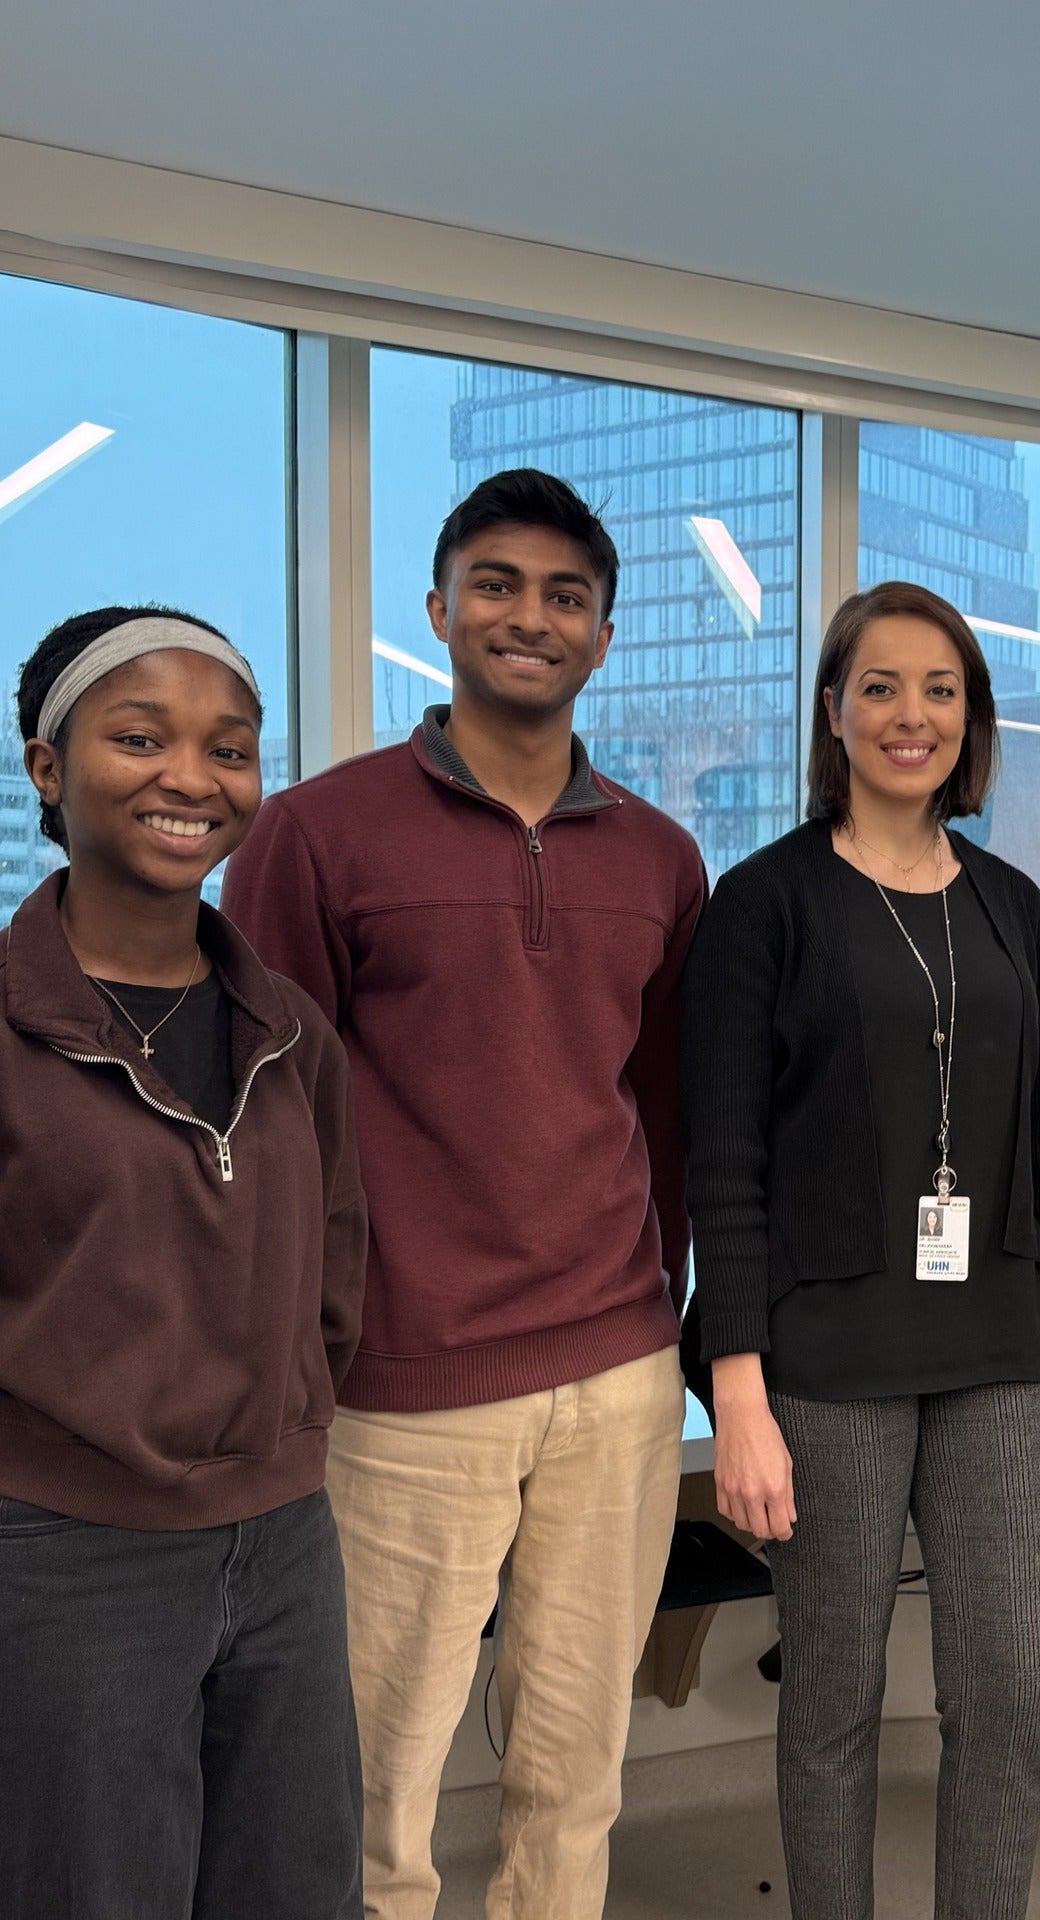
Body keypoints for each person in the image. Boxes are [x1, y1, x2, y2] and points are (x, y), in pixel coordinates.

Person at [222, 469, 706, 1920]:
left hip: (617, 1372)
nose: (529, 617)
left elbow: (666, 1114)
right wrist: (316, 1337)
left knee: (578, 1763)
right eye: (496, 585)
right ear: (437, 612)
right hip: (406, 1384)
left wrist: (659, 1311)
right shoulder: (322, 833)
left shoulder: (664, 859)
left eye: (566, 596)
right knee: (377, 1768)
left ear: (605, 636)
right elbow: (267, 1115)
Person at [683, 578, 1040, 1920]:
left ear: (970, 716)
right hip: (825, 1368)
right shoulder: (765, 905)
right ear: (833, 712)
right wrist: (735, 1387)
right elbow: (725, 1162)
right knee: (834, 1703)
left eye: (940, 688)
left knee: (1005, 1702)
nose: (910, 714)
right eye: (880, 686)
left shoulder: (1013, 907)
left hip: (996, 1354)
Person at [0, 606, 367, 1916]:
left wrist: (288, 1432)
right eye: (139, 738)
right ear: (47, 766)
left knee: (294, 1886)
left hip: (282, 1538)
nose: (191, 779)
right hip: (66, 1549)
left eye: (230, 748)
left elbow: (335, 1262)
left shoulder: (288, 1029)